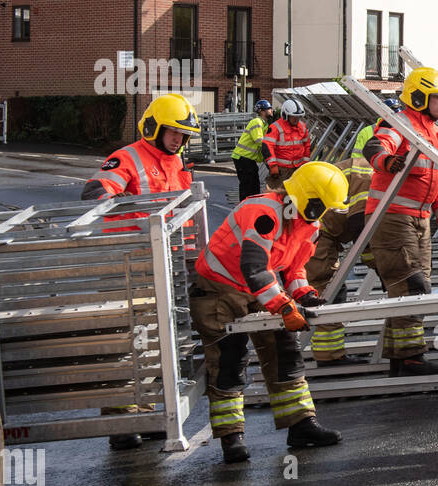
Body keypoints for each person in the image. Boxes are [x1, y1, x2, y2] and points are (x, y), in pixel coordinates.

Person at [190, 161, 349, 464]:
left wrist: (303, 293)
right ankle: (231, 437)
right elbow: (255, 269)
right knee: (229, 358)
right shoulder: (264, 213)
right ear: (304, 195)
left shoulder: (308, 224)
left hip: (257, 289)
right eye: (320, 206)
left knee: (284, 348)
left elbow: (294, 267)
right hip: (217, 290)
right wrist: (285, 305)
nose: (322, 213)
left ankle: (301, 424)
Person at [83, 93, 200, 450]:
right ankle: (122, 421)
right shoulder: (130, 156)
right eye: (173, 132)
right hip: (126, 264)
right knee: (125, 341)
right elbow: (98, 187)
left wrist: (190, 258)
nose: (178, 140)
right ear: (153, 128)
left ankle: (146, 412)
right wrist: (104, 194)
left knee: (153, 340)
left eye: (183, 134)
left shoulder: (177, 164)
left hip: (163, 265)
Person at [362, 67, 438, 377]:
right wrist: (389, 161)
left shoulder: (437, 134)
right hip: (392, 218)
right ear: (419, 98)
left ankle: (401, 358)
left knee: (413, 288)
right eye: (437, 99)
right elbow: (374, 147)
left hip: (422, 221)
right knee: (410, 284)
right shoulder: (400, 123)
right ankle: (411, 357)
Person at [304, 156, 373, 365]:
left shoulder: (366, 171)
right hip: (313, 230)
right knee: (327, 292)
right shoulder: (368, 176)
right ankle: (329, 358)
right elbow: (360, 226)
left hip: (320, 227)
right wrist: (378, 264)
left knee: (331, 291)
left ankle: (332, 354)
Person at [262, 97, 311, 191]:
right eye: (294, 117)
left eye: (299, 117)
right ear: (285, 115)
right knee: (274, 195)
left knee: (297, 196)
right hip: (280, 171)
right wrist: (272, 166)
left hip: (298, 169)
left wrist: (305, 164)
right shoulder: (276, 127)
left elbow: (307, 145)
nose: (297, 119)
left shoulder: (302, 126)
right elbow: (267, 146)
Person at [231, 99, 275, 201]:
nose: (272, 110)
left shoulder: (264, 125)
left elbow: (261, 147)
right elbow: (259, 141)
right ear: (262, 111)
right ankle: (244, 207)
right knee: (247, 185)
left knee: (254, 184)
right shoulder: (257, 122)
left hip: (247, 159)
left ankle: (251, 204)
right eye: (269, 108)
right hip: (242, 158)